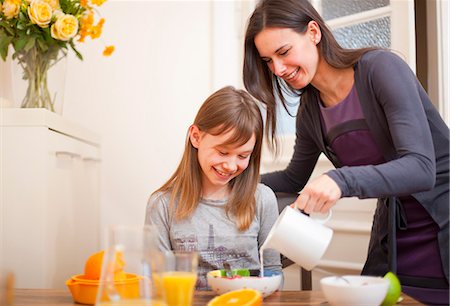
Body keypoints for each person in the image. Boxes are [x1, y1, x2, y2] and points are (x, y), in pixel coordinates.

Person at [242, 0, 449, 304]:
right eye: (268, 61)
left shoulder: (380, 69)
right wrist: (237, 183)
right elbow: (293, 177)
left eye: (283, 52)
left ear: (313, 32)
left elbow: (420, 168)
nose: (278, 69)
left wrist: (340, 180)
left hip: (442, 220)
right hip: (395, 233)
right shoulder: (311, 111)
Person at [145, 86, 282, 290]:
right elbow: (158, 282)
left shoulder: (263, 199)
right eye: (223, 152)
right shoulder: (162, 205)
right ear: (196, 137)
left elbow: (273, 274)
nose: (231, 165)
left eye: (243, 156)